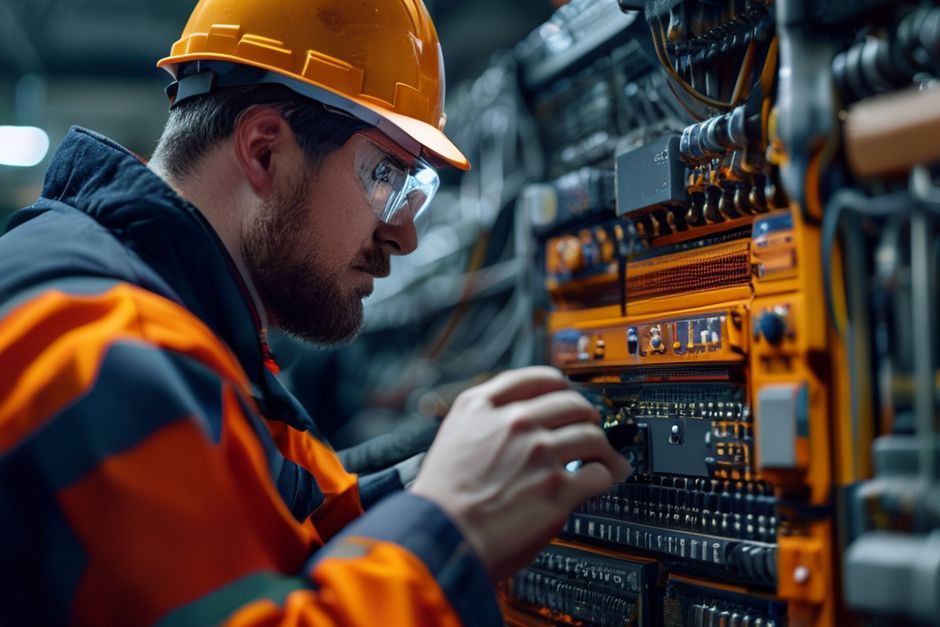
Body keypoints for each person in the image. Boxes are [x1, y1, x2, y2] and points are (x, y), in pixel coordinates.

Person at [0, 0, 630, 625]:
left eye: (415, 189)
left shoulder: (190, 327)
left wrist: (440, 476)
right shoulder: (101, 345)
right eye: (387, 176)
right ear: (265, 150)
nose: (405, 235)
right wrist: (450, 533)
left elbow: (293, 515)